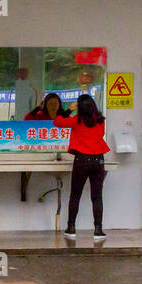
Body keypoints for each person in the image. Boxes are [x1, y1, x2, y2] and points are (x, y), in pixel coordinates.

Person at [54, 94, 110, 240]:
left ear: (80, 107)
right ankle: (98, 230)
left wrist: (69, 110)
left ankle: (71, 228)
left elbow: (57, 122)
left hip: (82, 160)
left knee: (75, 194)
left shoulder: (76, 121)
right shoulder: (101, 121)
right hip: (99, 160)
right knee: (97, 196)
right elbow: (100, 134)